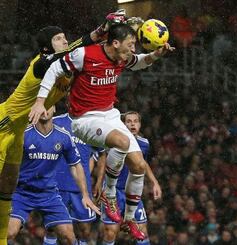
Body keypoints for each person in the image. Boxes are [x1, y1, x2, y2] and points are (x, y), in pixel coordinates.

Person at [29, 23, 174, 240]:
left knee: (139, 165)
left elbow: (139, 63)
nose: (133, 49)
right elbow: (54, 68)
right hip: (84, 119)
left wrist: (156, 54)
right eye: (130, 44)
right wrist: (40, 101)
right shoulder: (84, 54)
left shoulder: (122, 57)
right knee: (122, 142)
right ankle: (110, 194)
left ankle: (130, 218)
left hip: (110, 115)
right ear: (115, 43)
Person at [0, 11, 125, 245]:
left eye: (65, 37)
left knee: (6, 189)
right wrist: (98, 31)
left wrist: (105, 37)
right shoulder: (40, 63)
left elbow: (86, 58)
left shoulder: (64, 68)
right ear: (47, 47)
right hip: (3, 124)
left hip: (17, 133)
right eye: (59, 38)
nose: (65, 41)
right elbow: (72, 52)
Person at [7, 106, 100, 245]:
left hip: (49, 194)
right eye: (41, 107)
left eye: (49, 105)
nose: (45, 110)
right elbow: (7, 163)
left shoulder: (63, 136)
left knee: (69, 236)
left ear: (54, 109)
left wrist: (85, 195)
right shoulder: (23, 134)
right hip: (22, 193)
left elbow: (75, 165)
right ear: (34, 109)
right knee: (9, 233)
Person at [98, 111, 161, 245]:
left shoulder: (144, 143)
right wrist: (98, 184)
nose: (132, 124)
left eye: (135, 121)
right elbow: (103, 161)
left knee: (142, 230)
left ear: (140, 124)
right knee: (111, 231)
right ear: (123, 124)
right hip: (113, 192)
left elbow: (142, 164)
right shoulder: (113, 140)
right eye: (129, 121)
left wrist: (154, 182)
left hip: (131, 193)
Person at [44, 112, 105, 245]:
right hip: (57, 185)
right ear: (68, 101)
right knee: (52, 228)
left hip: (82, 188)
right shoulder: (55, 121)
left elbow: (102, 154)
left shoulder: (92, 126)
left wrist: (99, 181)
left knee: (85, 230)